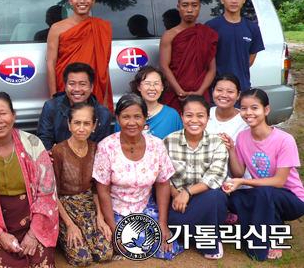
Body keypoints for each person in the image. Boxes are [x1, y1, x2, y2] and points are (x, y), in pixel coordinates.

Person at [0, 92, 58, 267]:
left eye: (3, 113)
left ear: (13, 115)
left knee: (41, 264)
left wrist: (33, 233)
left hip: (32, 220)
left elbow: (47, 193)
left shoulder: (33, 144)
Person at [93, 93, 183, 260]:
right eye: (126, 117)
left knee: (166, 247)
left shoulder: (156, 145)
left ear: (144, 119)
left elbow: (163, 184)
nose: (132, 122)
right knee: (114, 245)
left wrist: (163, 224)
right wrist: (114, 230)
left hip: (144, 205)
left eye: (137, 117)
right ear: (118, 119)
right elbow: (103, 192)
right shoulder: (106, 147)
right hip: (115, 209)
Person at [223, 89, 304, 262]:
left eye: (254, 108)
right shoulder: (243, 137)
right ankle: (264, 225)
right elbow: (238, 172)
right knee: (233, 198)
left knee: (266, 191)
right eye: (243, 108)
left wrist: (243, 181)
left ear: (266, 110)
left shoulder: (284, 140)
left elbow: (279, 182)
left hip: (291, 199)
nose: (248, 113)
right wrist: (231, 148)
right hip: (263, 194)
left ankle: (275, 237)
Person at [163, 95, 229, 259]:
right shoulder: (169, 141)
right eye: (189, 115)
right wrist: (177, 195)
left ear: (208, 117)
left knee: (215, 196)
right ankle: (199, 232)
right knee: (176, 219)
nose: (194, 120)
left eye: (200, 115)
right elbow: (163, 177)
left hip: (207, 202)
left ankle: (205, 241)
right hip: (177, 202)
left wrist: (187, 192)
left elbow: (216, 177)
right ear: (182, 116)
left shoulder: (217, 142)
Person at [51, 102, 113, 266]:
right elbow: (52, 194)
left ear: (94, 126)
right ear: (69, 124)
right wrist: (70, 225)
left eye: (87, 123)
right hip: (66, 209)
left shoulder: (96, 149)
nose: (81, 128)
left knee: (105, 253)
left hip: (90, 206)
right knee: (82, 258)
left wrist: (100, 218)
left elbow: (96, 188)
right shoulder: (58, 152)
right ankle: (62, 236)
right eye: (76, 123)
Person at [47, 0, 113, 112]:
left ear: (93, 1)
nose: (82, 1)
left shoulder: (100, 27)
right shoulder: (57, 28)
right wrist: (54, 97)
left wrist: (105, 99)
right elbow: (51, 63)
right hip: (67, 86)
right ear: (70, 1)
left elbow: (103, 65)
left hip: (92, 88)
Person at [159, 0, 218, 113]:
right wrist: (179, 91)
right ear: (179, 7)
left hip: (200, 92)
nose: (190, 10)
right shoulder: (169, 35)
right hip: (175, 92)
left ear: (199, 7)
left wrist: (200, 92)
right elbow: (164, 66)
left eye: (194, 5)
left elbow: (211, 69)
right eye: (185, 5)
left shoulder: (206, 34)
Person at [205, 0, 265, 92]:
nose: (234, 0)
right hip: (217, 90)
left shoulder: (252, 28)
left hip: (242, 88)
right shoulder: (211, 26)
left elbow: (250, 60)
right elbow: (206, 60)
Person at [37, 62, 112, 151]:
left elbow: (100, 149)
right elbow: (44, 140)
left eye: (82, 84)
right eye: (72, 84)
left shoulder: (103, 114)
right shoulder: (51, 107)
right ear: (65, 86)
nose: (76, 89)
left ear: (91, 87)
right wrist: (49, 154)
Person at [207, 73, 252, 195]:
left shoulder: (245, 120)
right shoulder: (205, 115)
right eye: (219, 90)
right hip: (208, 182)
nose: (224, 95)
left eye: (230, 91)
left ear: (238, 95)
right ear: (212, 91)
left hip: (239, 185)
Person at [113, 65, 182, 139]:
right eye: (147, 83)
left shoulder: (172, 115)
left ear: (162, 87)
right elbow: (116, 143)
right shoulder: (126, 112)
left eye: (156, 83)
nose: (152, 88)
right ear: (138, 87)